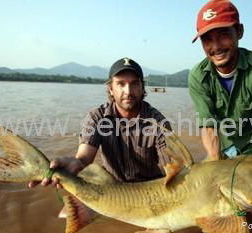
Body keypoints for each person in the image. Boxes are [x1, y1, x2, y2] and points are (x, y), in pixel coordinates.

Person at [29, 57, 171, 188]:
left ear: (142, 88)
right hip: (111, 188)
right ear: (110, 89)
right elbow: (84, 159)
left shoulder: (158, 122)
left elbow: (172, 169)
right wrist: (73, 164)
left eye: (134, 84)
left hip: (149, 191)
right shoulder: (97, 118)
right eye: (121, 84)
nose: (128, 91)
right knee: (71, 214)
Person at [189, 0, 252, 161]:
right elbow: (208, 126)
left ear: (239, 31)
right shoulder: (198, 76)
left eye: (223, 34)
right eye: (207, 39)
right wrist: (216, 166)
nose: (215, 46)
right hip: (223, 148)